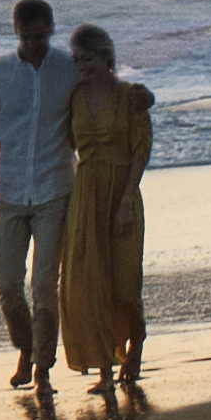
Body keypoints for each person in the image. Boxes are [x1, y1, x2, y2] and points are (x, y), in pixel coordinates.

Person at [0, 0, 70, 392]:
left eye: (41, 36)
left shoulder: (68, 68)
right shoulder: (0, 74)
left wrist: (137, 97)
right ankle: (26, 347)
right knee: (7, 285)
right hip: (8, 190)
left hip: (55, 187)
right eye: (28, 37)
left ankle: (42, 368)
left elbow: (102, 90)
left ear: (52, 31)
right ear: (16, 33)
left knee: (44, 284)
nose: (35, 44)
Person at [55, 21, 154, 397]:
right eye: (78, 59)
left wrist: (127, 199)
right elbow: (57, 137)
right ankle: (104, 370)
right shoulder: (73, 97)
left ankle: (135, 347)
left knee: (126, 282)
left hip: (122, 192)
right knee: (89, 282)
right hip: (85, 193)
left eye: (90, 58)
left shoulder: (130, 96)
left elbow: (140, 151)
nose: (83, 65)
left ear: (106, 57)